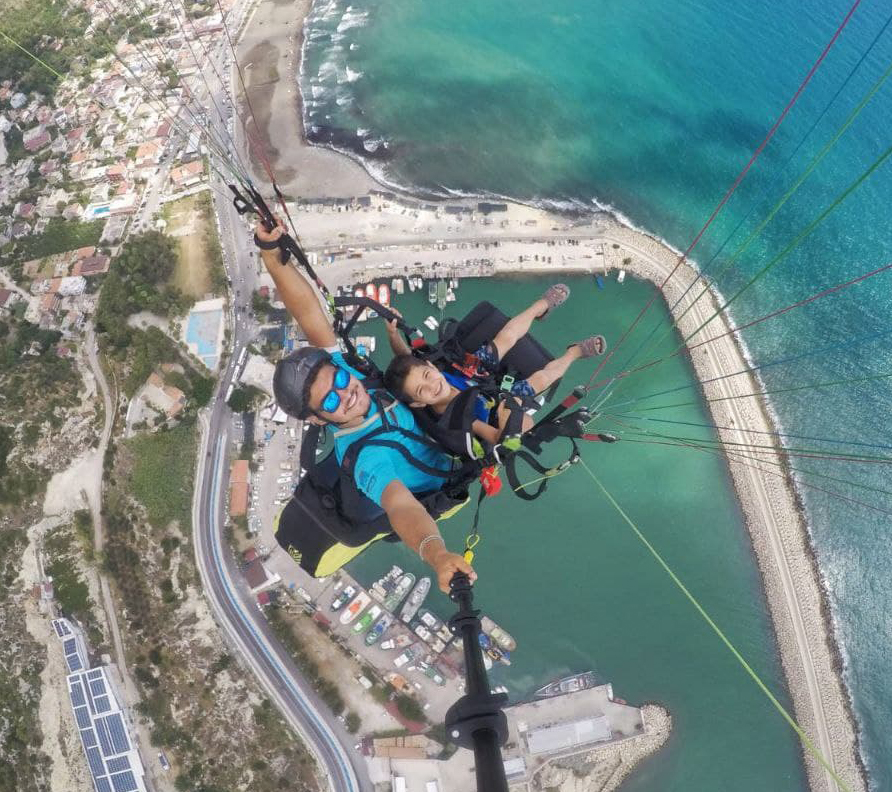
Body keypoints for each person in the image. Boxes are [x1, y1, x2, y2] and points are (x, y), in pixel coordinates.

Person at [256, 219, 475, 593]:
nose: (346, 392)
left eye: (340, 380)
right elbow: (402, 509)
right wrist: (437, 556)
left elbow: (309, 314)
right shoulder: (365, 460)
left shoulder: (345, 376)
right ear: (316, 419)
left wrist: (272, 257)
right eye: (330, 400)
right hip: (447, 465)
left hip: (432, 426)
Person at [383, 287, 606, 447]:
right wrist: (509, 416)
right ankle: (574, 353)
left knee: (506, 337)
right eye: (422, 390)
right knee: (542, 380)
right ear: (419, 403)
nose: (432, 384)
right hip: (498, 404)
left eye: (427, 375)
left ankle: (540, 306)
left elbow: (407, 357)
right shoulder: (458, 419)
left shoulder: (430, 373)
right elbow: (495, 436)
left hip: (470, 372)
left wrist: (393, 333)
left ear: (431, 366)